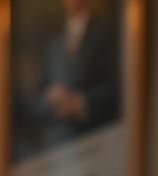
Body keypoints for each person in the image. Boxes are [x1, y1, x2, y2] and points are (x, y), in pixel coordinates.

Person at [38, 0, 121, 148]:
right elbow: (37, 96)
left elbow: (118, 85)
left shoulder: (106, 31)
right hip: (60, 148)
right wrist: (49, 97)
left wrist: (81, 104)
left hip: (98, 141)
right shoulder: (54, 45)